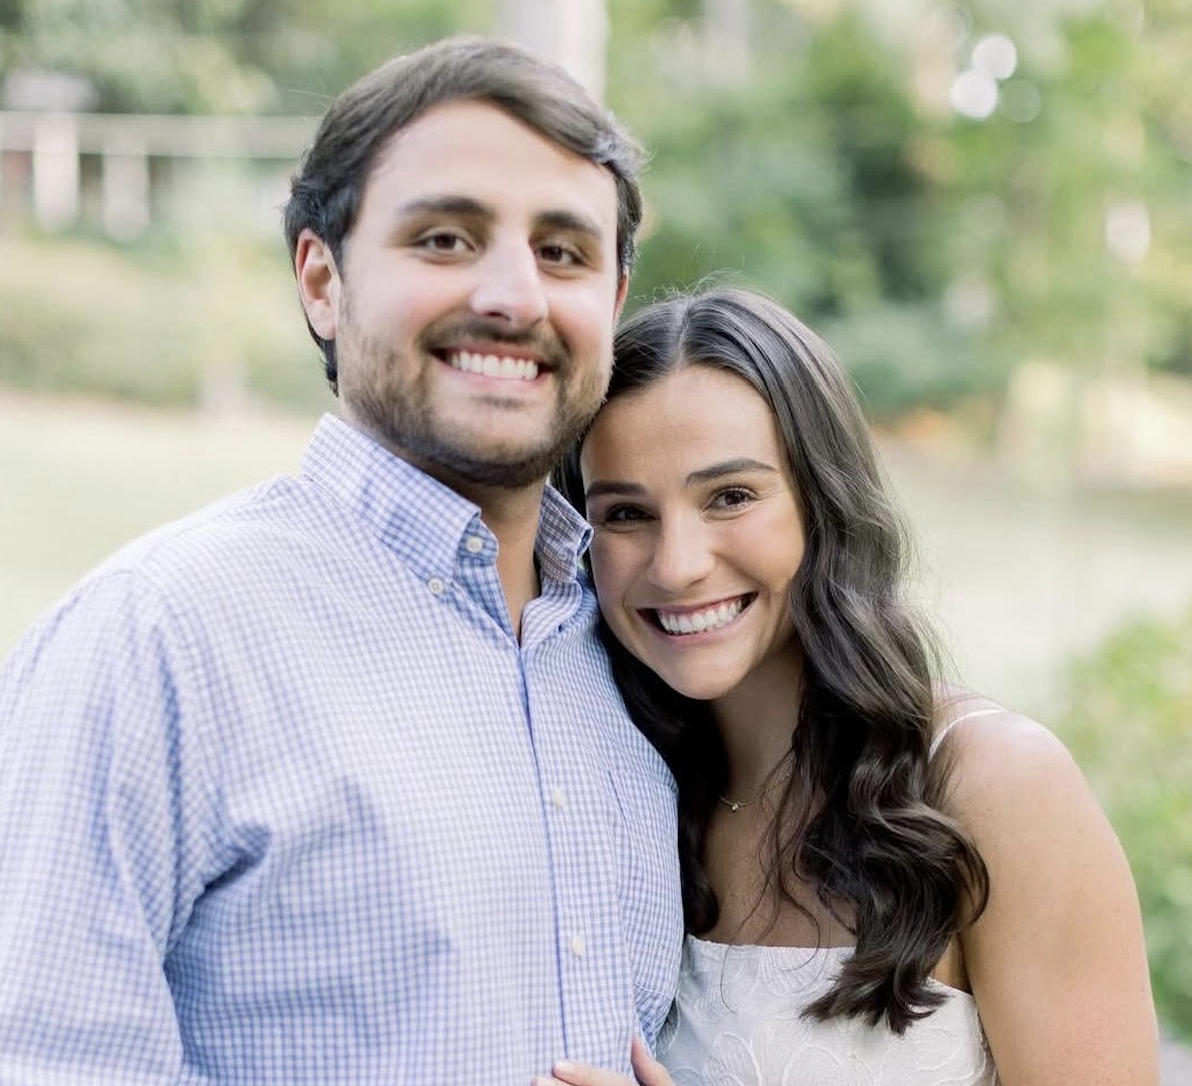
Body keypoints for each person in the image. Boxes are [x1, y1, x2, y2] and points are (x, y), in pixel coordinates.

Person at [0, 37, 683, 1084]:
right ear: (322, 281)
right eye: (445, 239)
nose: (515, 297)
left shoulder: (646, 652)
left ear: (616, 297)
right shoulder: (157, 639)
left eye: (563, 253)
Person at [542, 286, 1159, 1086]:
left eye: (730, 497)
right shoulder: (622, 789)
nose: (677, 564)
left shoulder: (994, 783)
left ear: (823, 503)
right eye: (626, 514)